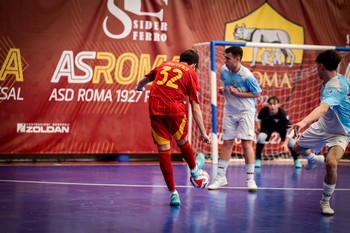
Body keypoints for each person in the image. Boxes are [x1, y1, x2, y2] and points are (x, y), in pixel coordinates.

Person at [136, 49, 210, 206]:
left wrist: (139, 88)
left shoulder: (164, 65)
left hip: (155, 107)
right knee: (182, 141)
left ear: (180, 59)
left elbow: (143, 81)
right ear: (195, 65)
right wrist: (203, 132)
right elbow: (195, 107)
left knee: (164, 149)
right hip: (174, 109)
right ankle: (196, 173)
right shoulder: (191, 72)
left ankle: (173, 194)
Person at [291, 49, 350, 215]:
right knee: (297, 148)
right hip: (324, 125)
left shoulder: (335, 86)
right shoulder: (335, 82)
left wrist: (303, 121)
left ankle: (325, 201)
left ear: (321, 66)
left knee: (331, 163)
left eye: (317, 67)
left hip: (341, 132)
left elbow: (324, 108)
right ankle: (314, 159)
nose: (316, 69)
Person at [208, 46, 262, 191]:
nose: (225, 60)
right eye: (225, 57)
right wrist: (223, 90)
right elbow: (226, 86)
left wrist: (238, 94)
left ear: (237, 59)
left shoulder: (247, 76)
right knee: (227, 142)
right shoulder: (223, 71)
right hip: (230, 110)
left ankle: (250, 179)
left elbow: (256, 94)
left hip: (246, 111)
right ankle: (220, 177)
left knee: (246, 144)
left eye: (228, 58)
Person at [255, 96, 302, 168]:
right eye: (270, 104)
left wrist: (286, 143)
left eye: (274, 104)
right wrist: (258, 127)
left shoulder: (282, 114)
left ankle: (296, 160)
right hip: (267, 126)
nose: (272, 106)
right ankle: (258, 159)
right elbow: (258, 119)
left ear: (278, 105)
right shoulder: (264, 111)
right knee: (261, 137)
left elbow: (290, 129)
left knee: (291, 142)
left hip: (281, 128)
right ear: (267, 105)